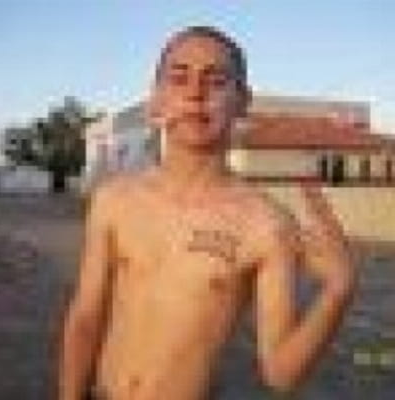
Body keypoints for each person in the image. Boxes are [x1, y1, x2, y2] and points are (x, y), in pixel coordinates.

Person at [58, 26, 356, 400]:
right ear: (156, 100)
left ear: (242, 100)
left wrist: (337, 290)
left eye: (215, 81)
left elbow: (281, 374)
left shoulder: (266, 224)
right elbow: (85, 318)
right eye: (179, 78)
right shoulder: (114, 200)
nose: (195, 93)